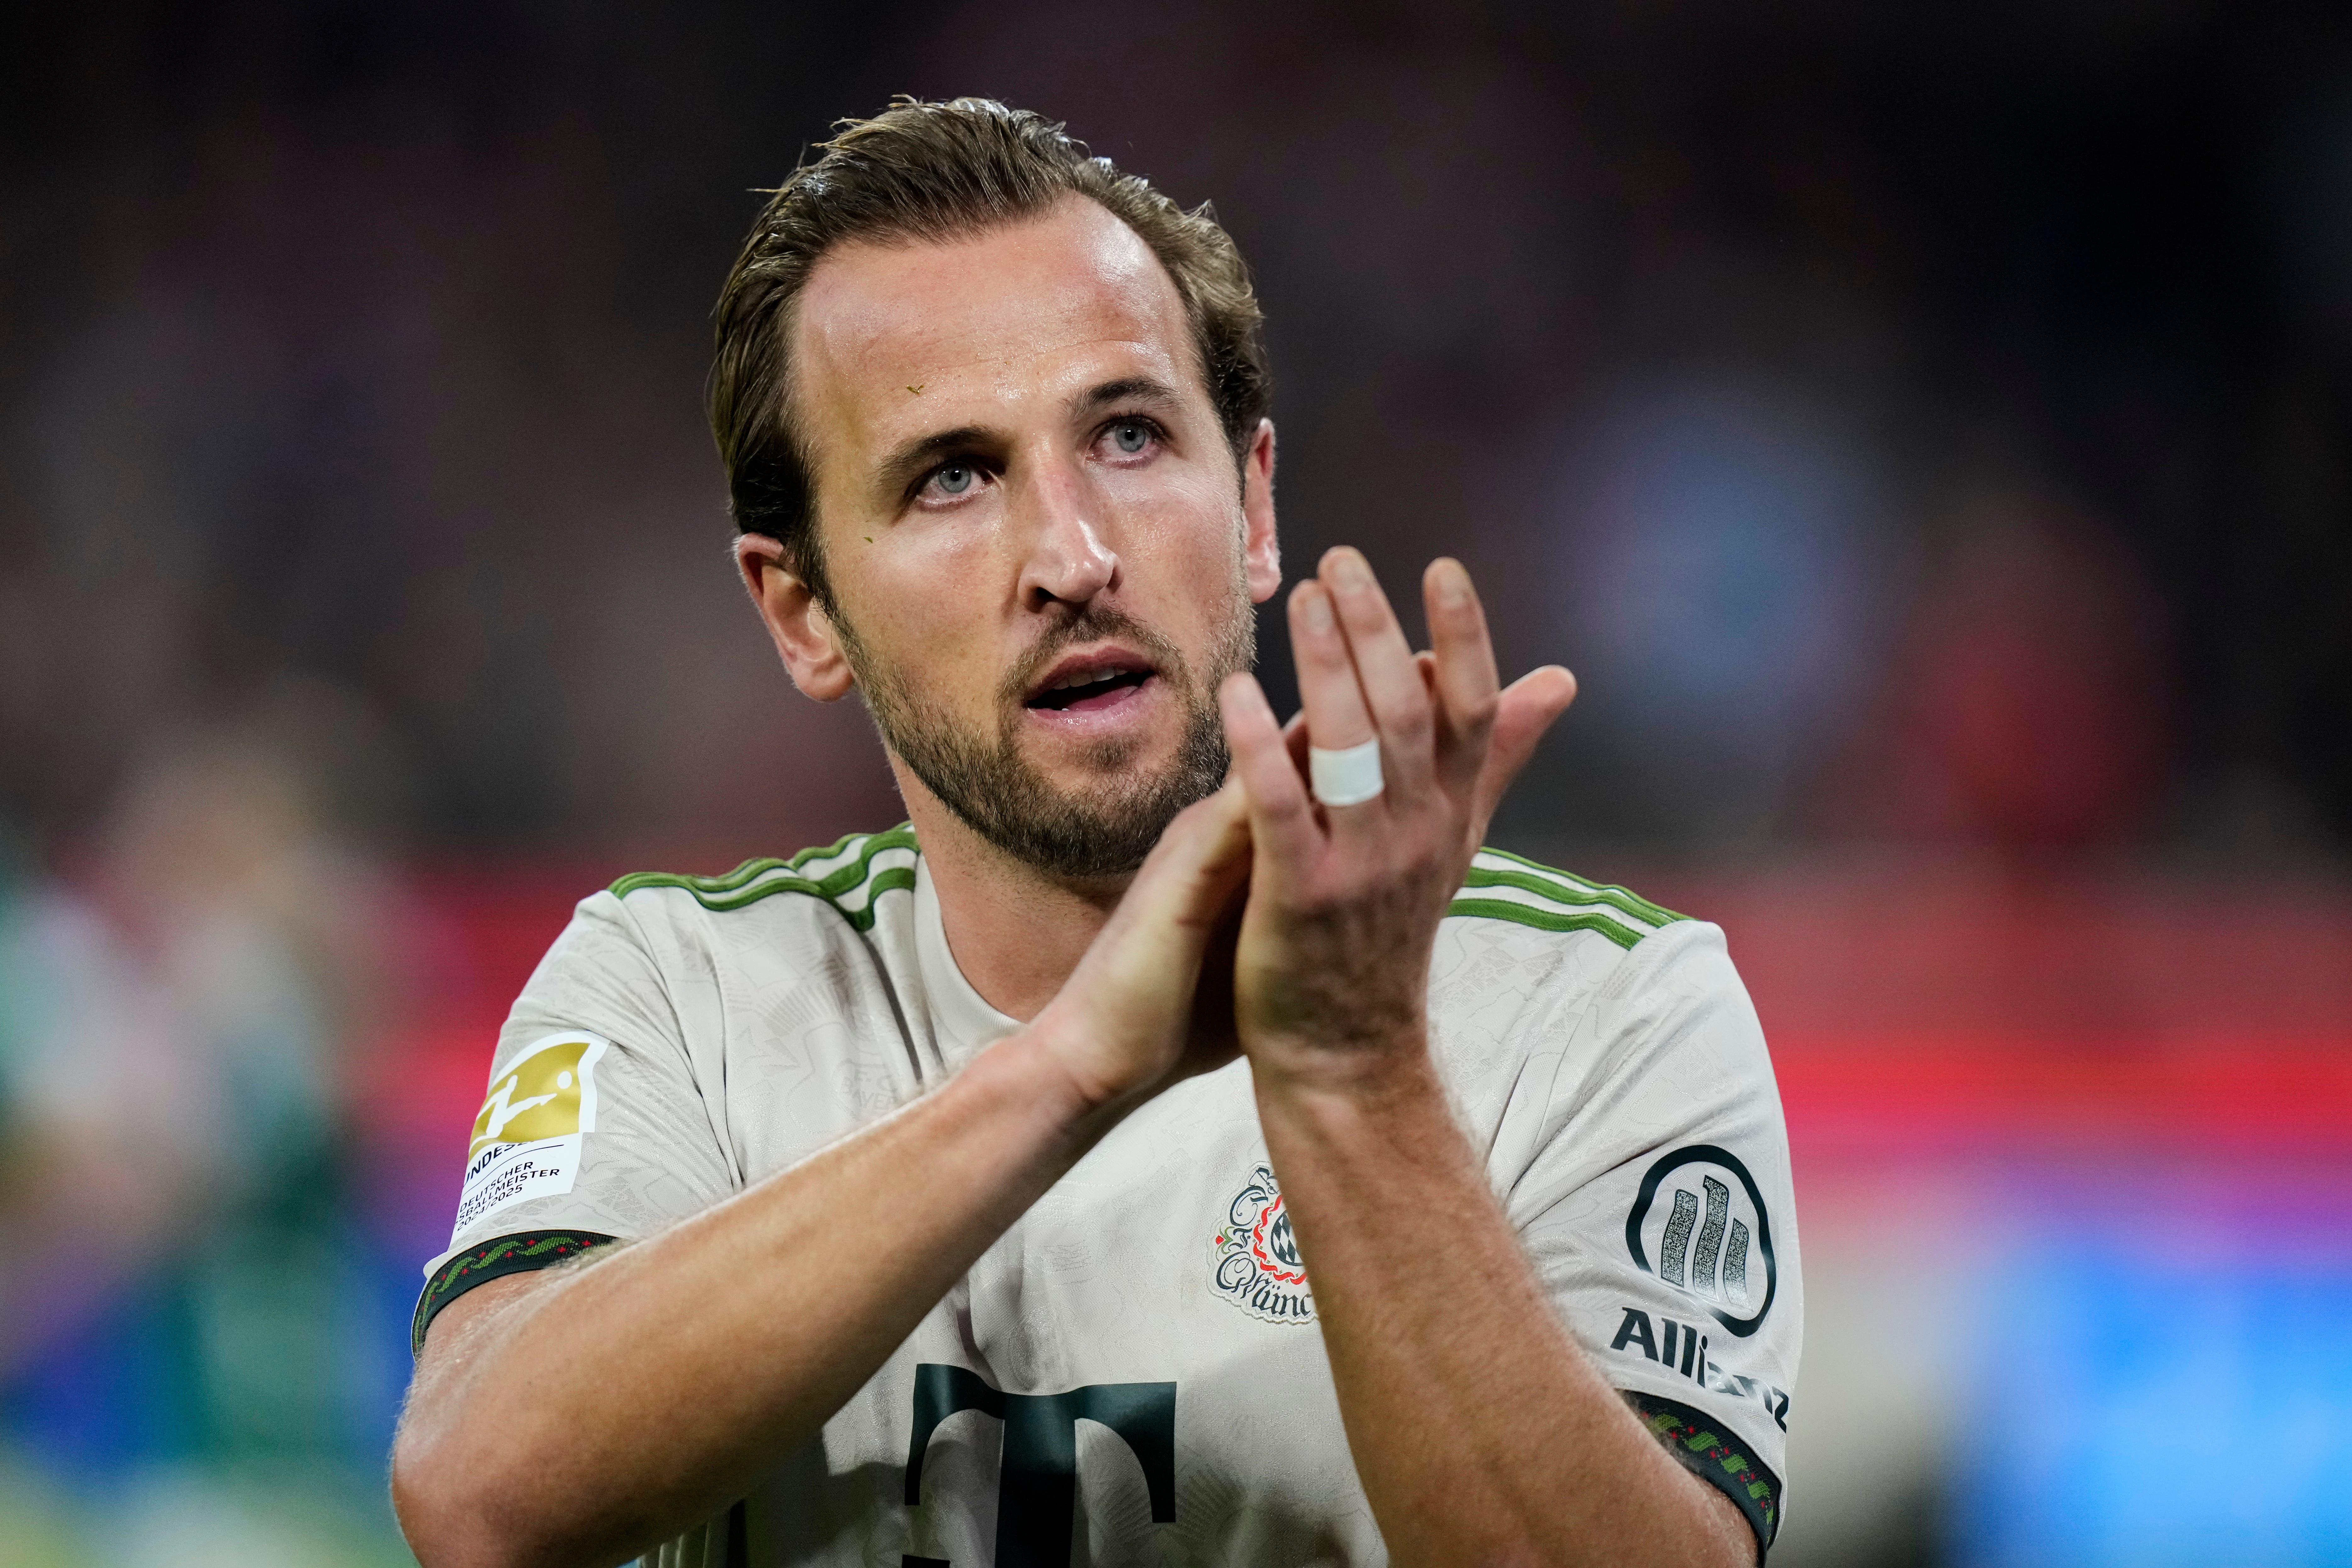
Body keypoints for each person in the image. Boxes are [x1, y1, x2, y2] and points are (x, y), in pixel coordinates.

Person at [390, 97, 1800, 1568]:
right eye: (952, 475)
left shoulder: (1606, 1009)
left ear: (1254, 505)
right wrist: (1069, 1068)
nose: (1072, 555)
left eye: (1128, 434)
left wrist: (1355, 1069)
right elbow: (481, 1496)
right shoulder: (678, 990)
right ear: (801, 609)